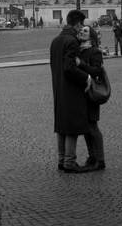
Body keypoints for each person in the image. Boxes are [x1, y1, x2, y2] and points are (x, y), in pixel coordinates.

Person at [50, 9, 93, 173]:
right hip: (71, 89)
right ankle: (69, 161)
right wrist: (86, 78)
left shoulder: (55, 40)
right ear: (76, 24)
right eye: (81, 24)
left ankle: (61, 160)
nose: (81, 27)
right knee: (72, 126)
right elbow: (69, 68)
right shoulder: (72, 41)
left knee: (61, 125)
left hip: (58, 87)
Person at [76, 25, 106, 171]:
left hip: (92, 93)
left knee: (93, 127)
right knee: (86, 127)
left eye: (85, 31)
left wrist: (81, 64)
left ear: (91, 37)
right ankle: (92, 157)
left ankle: (100, 160)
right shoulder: (79, 51)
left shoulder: (95, 52)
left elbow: (97, 71)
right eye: (81, 30)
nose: (81, 31)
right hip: (81, 93)